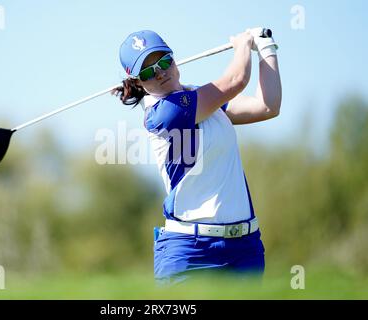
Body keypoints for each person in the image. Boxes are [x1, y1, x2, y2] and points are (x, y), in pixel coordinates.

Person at [113, 29, 281, 284]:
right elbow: (235, 80)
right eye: (147, 71)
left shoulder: (201, 98)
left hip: (245, 248)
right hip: (190, 251)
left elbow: (268, 106)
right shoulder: (162, 114)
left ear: (173, 58)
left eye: (164, 61)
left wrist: (266, 47)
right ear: (138, 83)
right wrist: (243, 44)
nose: (159, 73)